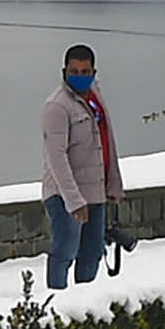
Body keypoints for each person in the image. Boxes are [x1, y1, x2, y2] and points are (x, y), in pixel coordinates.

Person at [39, 40, 121, 289]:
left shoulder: (96, 99)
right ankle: (56, 303)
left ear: (94, 73)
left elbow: (107, 141)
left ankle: (84, 306)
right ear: (64, 72)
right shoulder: (57, 106)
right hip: (65, 195)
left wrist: (114, 183)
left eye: (85, 72)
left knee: (92, 253)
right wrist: (73, 201)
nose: (79, 76)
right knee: (64, 251)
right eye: (74, 71)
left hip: (95, 192)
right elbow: (56, 158)